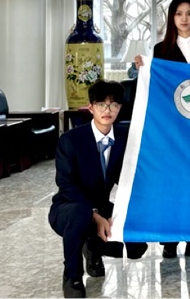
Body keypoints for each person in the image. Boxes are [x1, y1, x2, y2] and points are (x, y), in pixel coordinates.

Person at [49, 80, 148, 299]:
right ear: (91, 107)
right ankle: (72, 276)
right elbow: (66, 184)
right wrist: (95, 216)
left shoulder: (124, 138)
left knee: (137, 247)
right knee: (80, 215)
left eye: (114, 105)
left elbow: (128, 179)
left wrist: (122, 212)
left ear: (120, 108)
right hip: (69, 207)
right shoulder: (71, 140)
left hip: (103, 207)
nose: (107, 110)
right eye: (101, 104)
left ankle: (92, 246)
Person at [136, 0, 190, 258]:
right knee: (171, 181)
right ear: (172, 17)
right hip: (171, 127)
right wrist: (143, 69)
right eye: (179, 13)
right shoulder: (161, 49)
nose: (184, 18)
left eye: (189, 13)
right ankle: (169, 239)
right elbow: (157, 85)